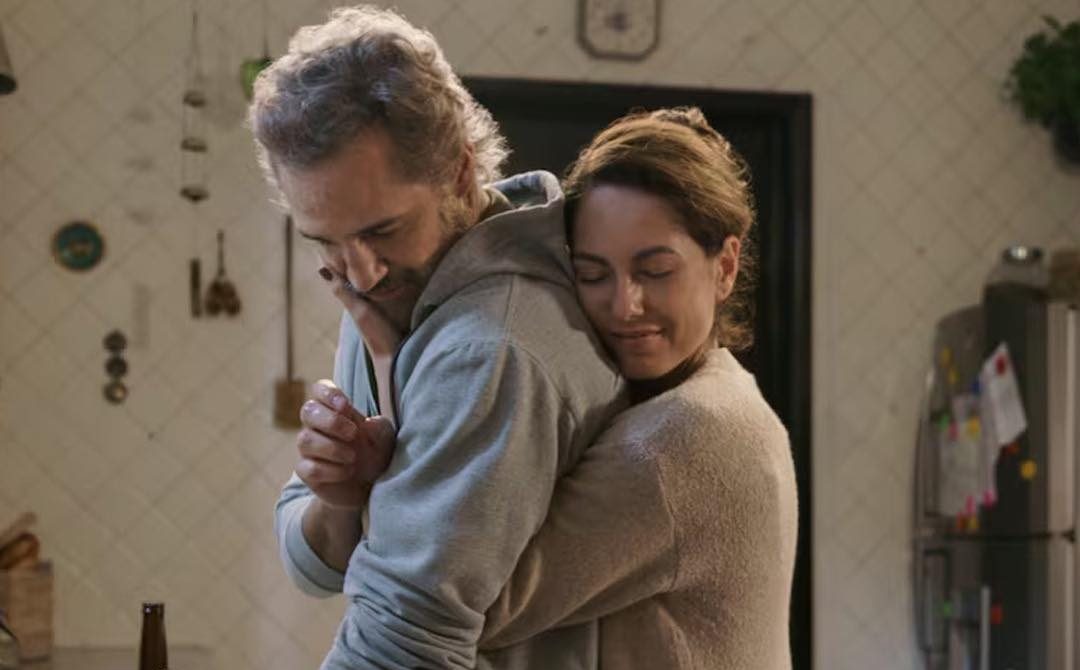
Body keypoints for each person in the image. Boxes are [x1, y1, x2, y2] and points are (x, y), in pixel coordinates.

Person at [249, 6, 623, 669]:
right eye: (325, 241)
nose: (359, 273)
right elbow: (314, 566)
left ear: (458, 172)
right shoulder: (392, 299)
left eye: (381, 231)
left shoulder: (490, 349)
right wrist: (342, 500)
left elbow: (401, 645)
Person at [362, 107, 799, 668]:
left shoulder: (685, 434)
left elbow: (457, 593)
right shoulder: (730, 396)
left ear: (726, 267)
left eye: (655, 271)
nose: (624, 305)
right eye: (593, 274)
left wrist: (393, 363)